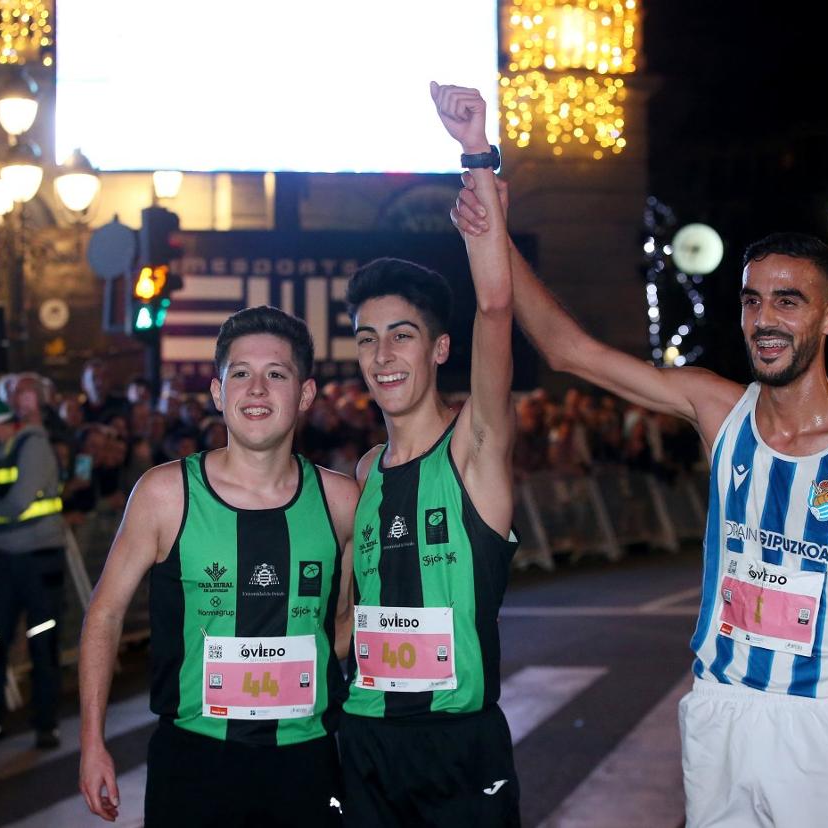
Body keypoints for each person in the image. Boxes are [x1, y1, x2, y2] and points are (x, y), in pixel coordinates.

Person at [456, 186, 828, 828]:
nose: (765, 319)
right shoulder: (720, 410)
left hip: (827, 725)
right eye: (752, 301)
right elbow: (567, 349)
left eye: (788, 301)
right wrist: (494, 225)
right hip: (720, 709)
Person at [79, 306, 357, 826]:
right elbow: (105, 614)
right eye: (241, 374)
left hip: (306, 761)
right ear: (217, 392)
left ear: (304, 395)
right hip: (195, 762)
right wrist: (92, 741)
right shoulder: (165, 493)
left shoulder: (341, 501)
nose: (256, 389)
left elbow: (343, 622)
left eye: (276, 374)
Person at [338, 83, 520, 828]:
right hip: (367, 741)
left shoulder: (475, 446)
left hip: (458, 748)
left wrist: (474, 152)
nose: (382, 355)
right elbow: (347, 608)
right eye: (366, 338)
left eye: (402, 335)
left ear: (439, 349)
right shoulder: (362, 474)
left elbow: (497, 309)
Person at [0, 376, 68, 749]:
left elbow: (15, 502)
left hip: (39, 560)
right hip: (7, 559)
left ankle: (46, 724)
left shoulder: (33, 446)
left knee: (43, 641)